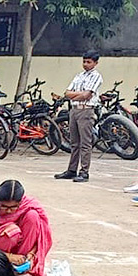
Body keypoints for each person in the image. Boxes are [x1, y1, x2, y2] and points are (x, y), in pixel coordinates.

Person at [0, 180, 53, 276]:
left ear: (20, 202)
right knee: (12, 232)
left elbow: (42, 237)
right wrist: (9, 257)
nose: (9, 211)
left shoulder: (29, 205)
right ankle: (3, 268)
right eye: (4, 207)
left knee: (33, 216)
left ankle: (21, 270)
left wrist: (30, 255)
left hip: (22, 256)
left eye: (13, 207)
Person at [55, 51, 102, 183]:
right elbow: (67, 92)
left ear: (95, 63)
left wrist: (75, 95)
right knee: (74, 142)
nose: (86, 64)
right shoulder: (79, 76)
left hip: (86, 110)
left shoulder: (96, 76)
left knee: (85, 142)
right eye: (84, 61)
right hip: (74, 109)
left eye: (89, 62)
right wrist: (77, 94)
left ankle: (84, 171)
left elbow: (87, 95)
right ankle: (71, 169)